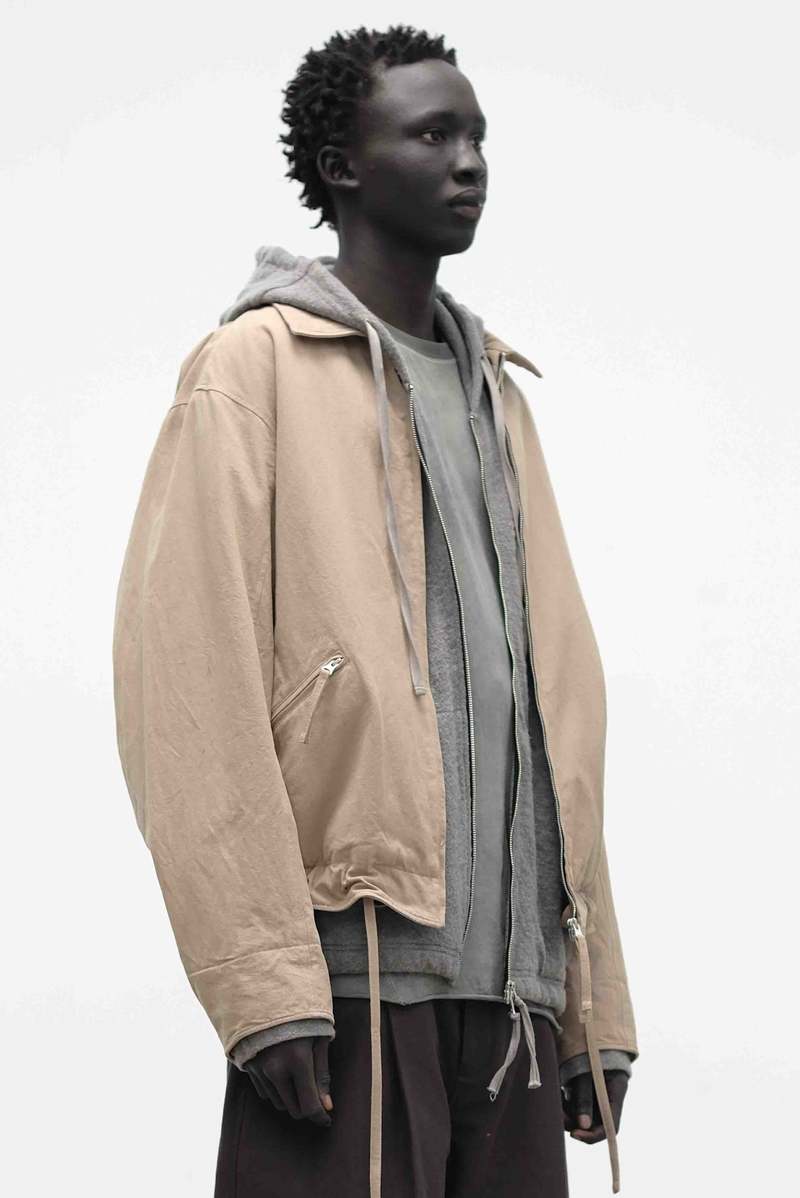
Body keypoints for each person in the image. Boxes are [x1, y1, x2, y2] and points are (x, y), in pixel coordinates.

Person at [112, 22, 638, 1198]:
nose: (469, 162)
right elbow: (186, 685)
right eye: (432, 134)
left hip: (510, 998)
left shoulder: (498, 398)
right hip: (347, 978)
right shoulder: (248, 371)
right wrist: (262, 987)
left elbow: (549, 712)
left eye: (478, 137)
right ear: (341, 166)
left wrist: (589, 1003)